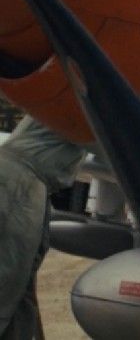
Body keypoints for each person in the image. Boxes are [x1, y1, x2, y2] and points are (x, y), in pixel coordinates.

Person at [0, 117, 85, 339]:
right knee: (7, 282)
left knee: (19, 291)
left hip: (28, 183)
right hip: (20, 182)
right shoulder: (88, 91)